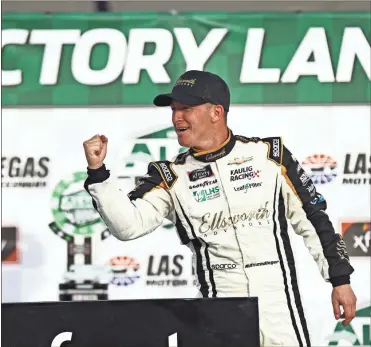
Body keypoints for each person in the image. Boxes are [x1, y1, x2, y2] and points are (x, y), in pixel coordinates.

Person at [83, 70, 357, 346]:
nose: (176, 117)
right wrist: (98, 175)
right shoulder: (169, 176)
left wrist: (339, 280)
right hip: (220, 305)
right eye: (174, 109)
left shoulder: (269, 156)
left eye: (186, 108)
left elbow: (313, 218)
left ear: (216, 112)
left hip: (278, 302)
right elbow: (128, 226)